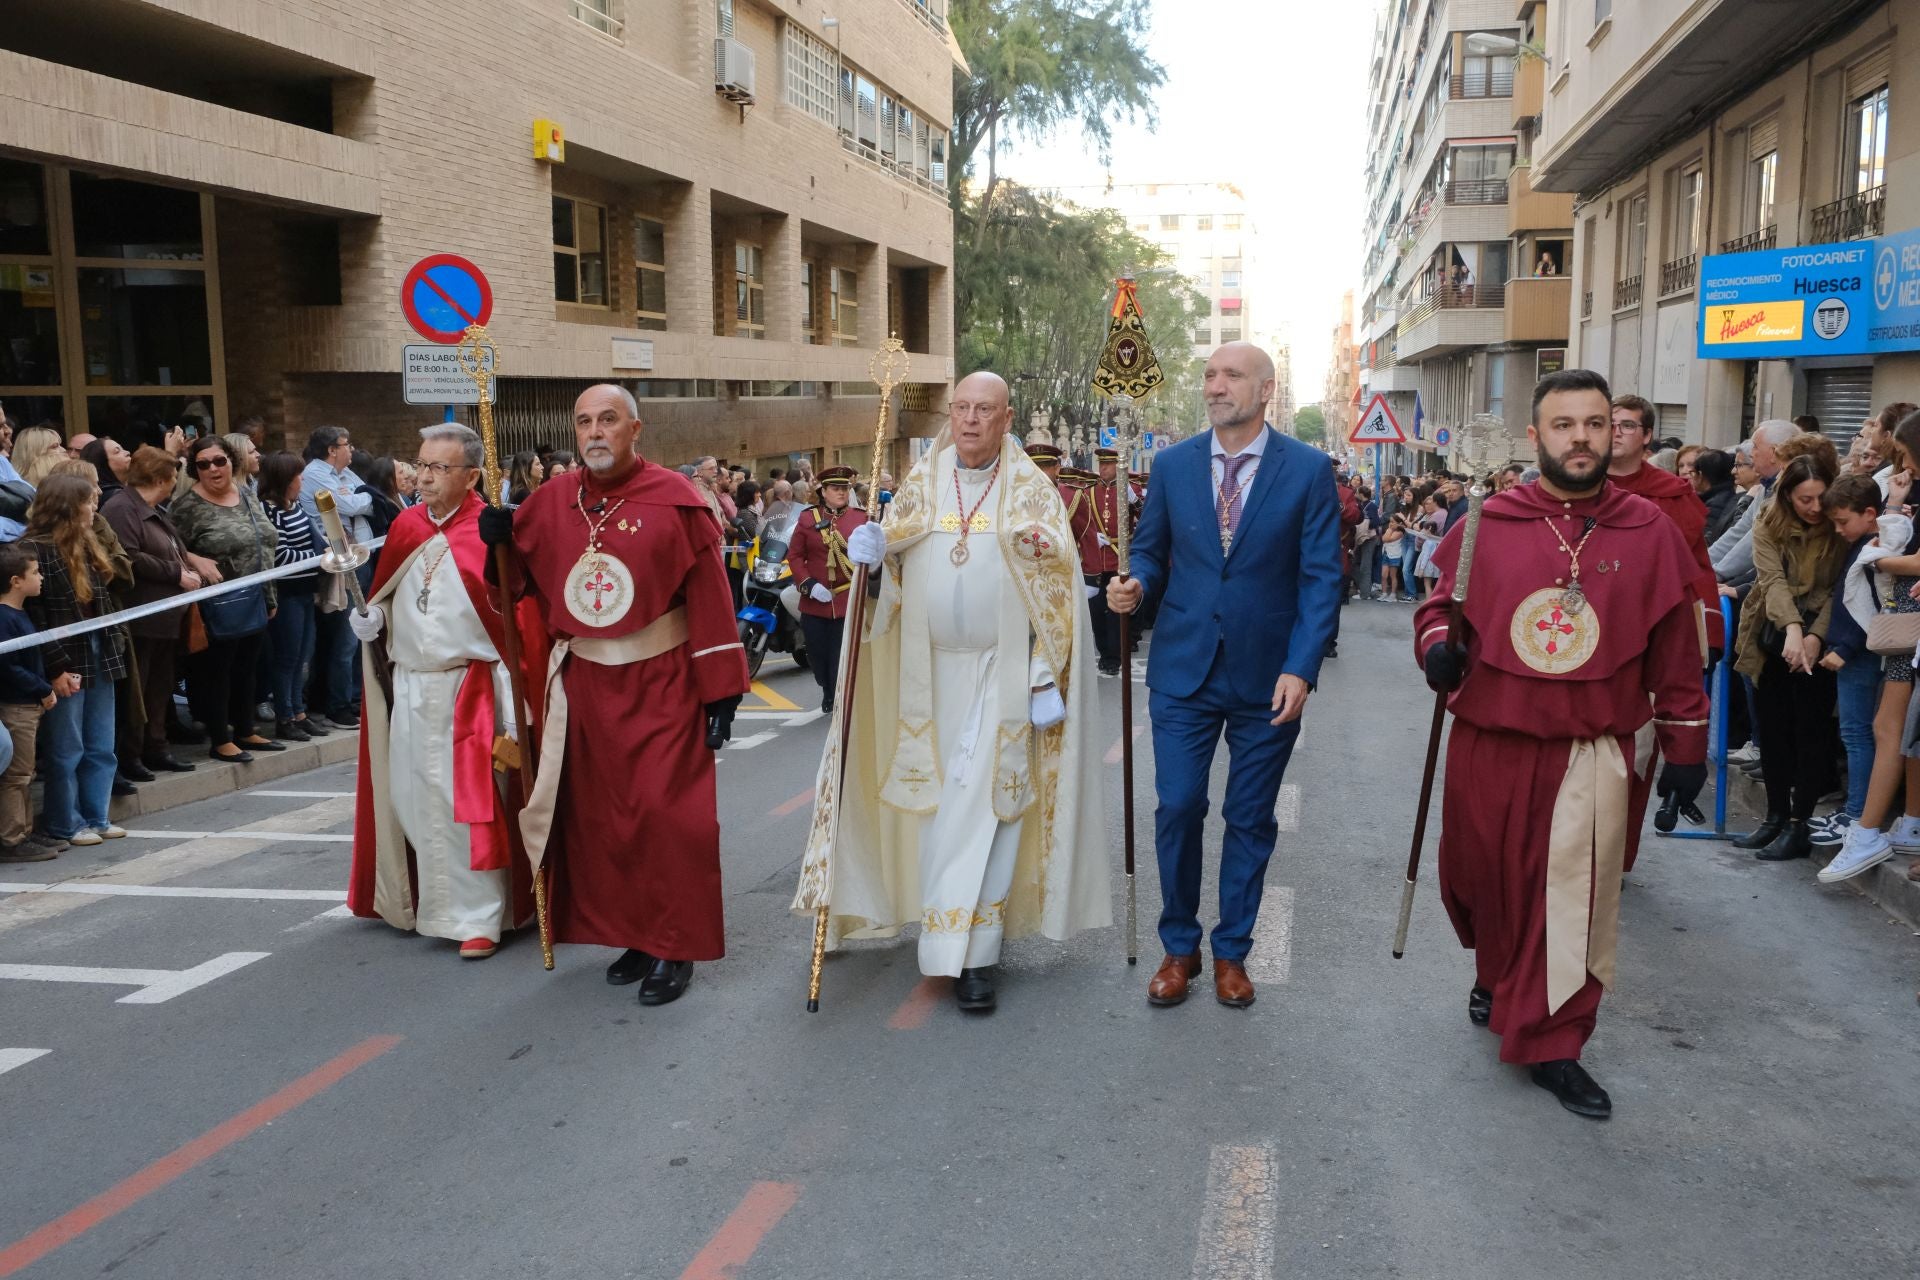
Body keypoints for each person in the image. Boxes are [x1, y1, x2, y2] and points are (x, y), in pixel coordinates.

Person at [1418, 368, 1709, 1119]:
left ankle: (1556, 1043)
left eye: (1594, 423)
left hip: (1588, 749)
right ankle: (1499, 971)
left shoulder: (1648, 530)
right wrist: (1437, 653)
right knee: (1483, 881)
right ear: (1536, 435)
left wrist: (1685, 746)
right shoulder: (1491, 519)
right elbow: (1439, 610)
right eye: (1563, 424)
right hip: (1490, 739)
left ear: (1612, 430)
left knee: (1573, 901)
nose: (1580, 437)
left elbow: (1677, 649)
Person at [803, 370, 1108, 1013]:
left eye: (984, 410)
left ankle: (978, 956)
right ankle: (948, 936)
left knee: (994, 808)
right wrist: (874, 550)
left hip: (1001, 675)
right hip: (929, 676)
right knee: (943, 812)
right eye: (961, 407)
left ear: (1007, 417)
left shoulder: (1032, 492)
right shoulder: (923, 481)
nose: (970, 420)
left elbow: (1055, 586)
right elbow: (897, 557)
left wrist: (1039, 672)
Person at [480, 384, 749, 1006]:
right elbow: (513, 588)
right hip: (585, 687)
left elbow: (710, 598)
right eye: (584, 423)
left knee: (667, 819)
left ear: (635, 429)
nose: (595, 432)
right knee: (606, 822)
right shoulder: (548, 503)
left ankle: (675, 944)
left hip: (664, 682)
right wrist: (496, 539)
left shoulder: (676, 501)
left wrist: (721, 693)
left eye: (608, 420)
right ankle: (635, 933)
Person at [1108, 341, 1342, 1010]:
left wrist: (1302, 666)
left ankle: (1232, 952)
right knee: (1178, 806)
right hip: (1182, 669)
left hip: (1268, 676)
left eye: (1231, 375)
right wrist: (1135, 586)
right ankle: (1178, 947)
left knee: (1248, 816)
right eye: (1209, 375)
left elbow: (1322, 577)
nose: (1215, 385)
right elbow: (1151, 549)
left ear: (1265, 390)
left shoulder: (1306, 470)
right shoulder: (1175, 464)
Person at [349, 424, 540, 960]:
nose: (424, 477)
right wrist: (373, 620)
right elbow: (388, 597)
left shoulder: (491, 530)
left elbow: (517, 610)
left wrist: (515, 704)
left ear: (473, 475)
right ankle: (430, 905)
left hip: (471, 687)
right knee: (412, 802)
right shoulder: (408, 526)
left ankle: (478, 918)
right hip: (411, 684)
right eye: (421, 465)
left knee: (468, 808)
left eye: (438, 468)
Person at [1733, 452, 1845, 860]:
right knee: (1773, 729)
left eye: (1821, 498)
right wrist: (1794, 630)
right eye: (1805, 500)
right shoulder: (1768, 518)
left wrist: (1815, 635)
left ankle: (1800, 825)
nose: (1815, 508)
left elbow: (1841, 585)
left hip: (1825, 633)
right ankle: (1774, 817)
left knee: (1811, 732)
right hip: (1774, 630)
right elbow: (1771, 579)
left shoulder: (1838, 523)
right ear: (1787, 497)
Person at [23, 472, 131, 846]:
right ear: (68, 507)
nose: (95, 504)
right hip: (66, 660)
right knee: (67, 748)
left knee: (101, 743)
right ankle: (65, 821)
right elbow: (35, 621)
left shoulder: (88, 541)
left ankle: (96, 815)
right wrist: (55, 668)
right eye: (87, 500)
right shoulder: (35, 551)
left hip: (100, 652)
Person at [173, 435, 282, 763]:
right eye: (203, 464)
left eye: (219, 461)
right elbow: (170, 547)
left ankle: (245, 728)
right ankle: (221, 738)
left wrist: (269, 595)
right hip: (218, 603)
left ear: (231, 462)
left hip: (256, 594)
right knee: (217, 671)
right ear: (195, 469)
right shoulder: (187, 506)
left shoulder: (246, 494)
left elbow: (263, 543)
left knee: (247, 666)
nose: (213, 469)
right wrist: (193, 559)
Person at [101, 446, 199, 775]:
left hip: (164, 618)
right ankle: (131, 754)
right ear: (159, 479)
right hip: (140, 616)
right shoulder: (122, 509)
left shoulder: (151, 508)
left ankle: (156, 746)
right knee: (138, 691)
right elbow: (127, 556)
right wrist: (175, 573)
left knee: (159, 687)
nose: (175, 483)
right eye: (172, 477)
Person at [1810, 474, 1885, 859]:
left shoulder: (1873, 549)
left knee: (1857, 735)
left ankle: (1857, 815)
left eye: (1842, 521)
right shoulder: (1863, 543)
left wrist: (1846, 647)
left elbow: (1870, 608)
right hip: (1854, 652)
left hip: (1861, 654)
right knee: (1854, 733)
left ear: (1870, 514)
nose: (1838, 530)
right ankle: (1854, 811)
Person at [299, 427, 368, 731]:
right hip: (335, 565)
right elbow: (354, 505)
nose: (350, 450)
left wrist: (355, 496)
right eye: (346, 445)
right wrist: (353, 498)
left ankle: (349, 696)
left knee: (352, 634)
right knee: (343, 638)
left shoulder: (346, 475)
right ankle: (336, 704)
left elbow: (369, 494)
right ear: (331, 450)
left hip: (356, 556)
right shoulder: (315, 474)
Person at [783, 465, 867, 714]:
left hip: (846, 598)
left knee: (840, 653)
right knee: (818, 654)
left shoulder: (861, 518)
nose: (841, 493)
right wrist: (807, 584)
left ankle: (835, 694)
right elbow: (795, 556)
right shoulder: (809, 519)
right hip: (815, 601)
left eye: (845, 488)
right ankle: (826, 686)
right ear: (823, 491)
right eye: (835, 488)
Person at [259, 451, 326, 743]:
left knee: (303, 656)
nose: (302, 481)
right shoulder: (270, 511)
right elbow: (282, 556)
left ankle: (299, 712)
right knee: (286, 658)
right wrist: (319, 557)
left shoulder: (295, 506)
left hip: (305, 590)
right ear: (285, 480)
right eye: (298, 476)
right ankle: (284, 716)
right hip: (286, 594)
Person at [0, 544, 59, 862]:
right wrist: (42, 688)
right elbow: (9, 668)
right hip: (16, 706)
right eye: (34, 572)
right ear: (15, 581)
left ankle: (24, 830)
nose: (41, 577)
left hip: (27, 704)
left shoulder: (20, 613)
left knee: (26, 772)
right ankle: (11, 839)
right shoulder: (3, 618)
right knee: (16, 775)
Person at [79, 438, 130, 503]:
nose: (128, 452)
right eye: (117, 451)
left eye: (122, 449)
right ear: (102, 463)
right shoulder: (114, 498)